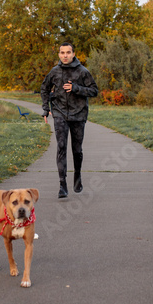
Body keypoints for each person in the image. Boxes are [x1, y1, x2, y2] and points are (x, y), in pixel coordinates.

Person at [41, 42, 98, 198]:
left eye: (68, 52)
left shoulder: (82, 72)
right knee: (61, 147)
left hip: (79, 115)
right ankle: (62, 184)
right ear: (59, 54)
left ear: (73, 54)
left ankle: (77, 176)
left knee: (77, 150)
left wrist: (76, 88)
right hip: (59, 114)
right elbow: (44, 88)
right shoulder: (54, 72)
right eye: (62, 52)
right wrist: (46, 109)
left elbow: (94, 91)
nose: (65, 55)